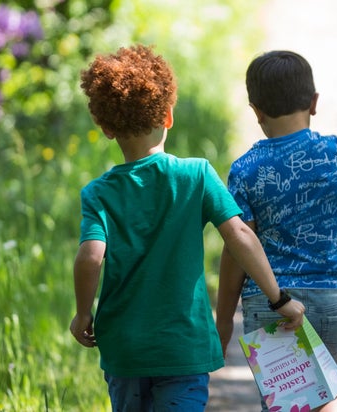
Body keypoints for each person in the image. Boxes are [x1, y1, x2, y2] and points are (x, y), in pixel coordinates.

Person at [69, 44, 305, 412]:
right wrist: (279, 298)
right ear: (167, 116)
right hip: (182, 345)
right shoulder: (196, 175)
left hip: (124, 347)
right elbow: (241, 235)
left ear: (107, 128)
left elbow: (91, 256)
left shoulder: (98, 193)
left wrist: (83, 312)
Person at [216, 50, 337, 411]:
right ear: (314, 103)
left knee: (290, 403)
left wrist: (223, 319)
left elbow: (236, 248)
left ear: (256, 111)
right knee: (328, 396)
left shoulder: (245, 170)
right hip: (331, 296)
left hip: (270, 299)